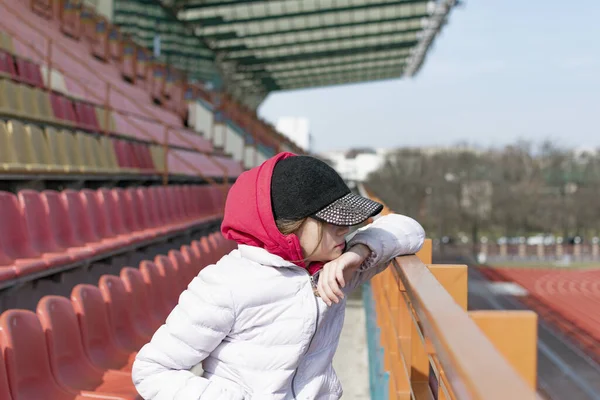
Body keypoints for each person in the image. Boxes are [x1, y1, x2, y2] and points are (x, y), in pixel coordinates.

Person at [132, 152, 425, 400]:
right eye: (332, 221)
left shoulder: (335, 268)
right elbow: (153, 371)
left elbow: (408, 229)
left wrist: (357, 253)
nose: (344, 230)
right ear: (289, 225)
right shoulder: (227, 284)